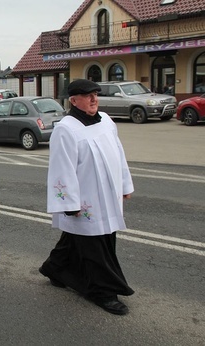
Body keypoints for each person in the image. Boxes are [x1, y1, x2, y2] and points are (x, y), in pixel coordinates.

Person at [39, 79, 135, 315]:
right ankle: (103, 292)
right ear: (74, 100)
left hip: (108, 195)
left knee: (77, 240)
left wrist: (124, 183)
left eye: (95, 94)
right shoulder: (66, 129)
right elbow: (62, 168)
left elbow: (118, 154)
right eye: (87, 96)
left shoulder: (106, 121)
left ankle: (54, 267)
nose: (94, 99)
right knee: (95, 248)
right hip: (85, 202)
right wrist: (68, 204)